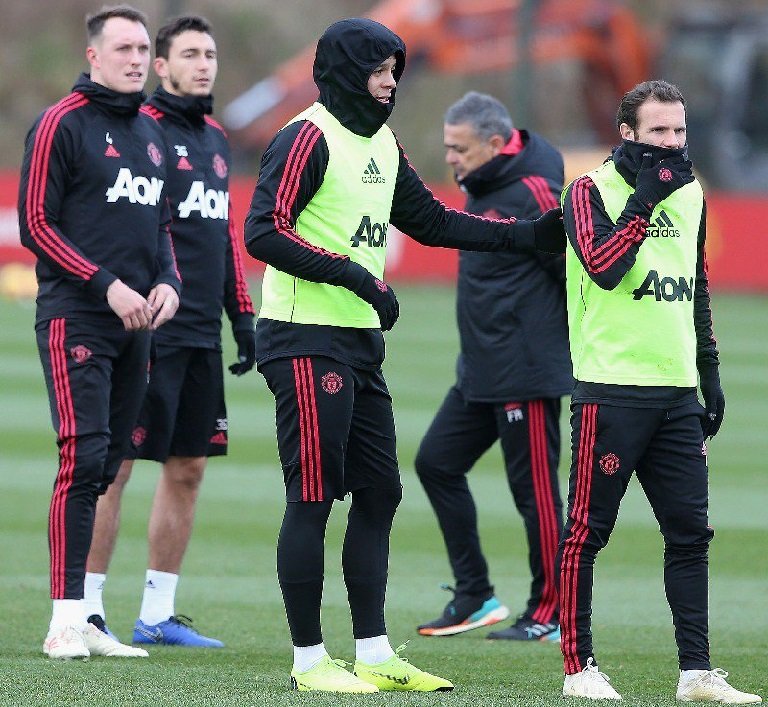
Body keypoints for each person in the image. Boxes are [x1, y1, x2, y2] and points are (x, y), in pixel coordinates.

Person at [244, 18, 566, 694]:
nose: (392, 80)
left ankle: (373, 650)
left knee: (382, 491)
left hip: (356, 342)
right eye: (380, 67)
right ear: (345, 67)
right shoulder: (306, 136)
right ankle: (309, 662)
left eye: (397, 67)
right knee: (311, 496)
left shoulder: (383, 142)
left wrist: (527, 235)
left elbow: (432, 220)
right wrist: (358, 278)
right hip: (303, 336)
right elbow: (262, 231)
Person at [557, 79, 761, 703]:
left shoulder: (692, 193)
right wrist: (645, 198)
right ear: (627, 133)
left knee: (690, 535)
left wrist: (710, 369)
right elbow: (605, 266)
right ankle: (578, 670)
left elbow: (695, 284)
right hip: (612, 391)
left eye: (679, 131)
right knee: (586, 534)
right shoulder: (590, 191)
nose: (672, 145)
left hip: (676, 393)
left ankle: (696, 673)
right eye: (658, 133)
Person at [83, 15, 256, 649]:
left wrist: (243, 316)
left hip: (202, 335)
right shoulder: (141, 131)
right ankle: (90, 608)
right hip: (148, 329)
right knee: (117, 468)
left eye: (210, 53)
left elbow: (223, 234)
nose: (204, 64)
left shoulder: (215, 137)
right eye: (190, 54)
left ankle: (156, 614)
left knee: (187, 468)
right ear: (161, 66)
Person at [18, 5, 180, 660]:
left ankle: (86, 615)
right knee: (82, 458)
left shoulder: (150, 130)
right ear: (94, 55)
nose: (136, 58)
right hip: (78, 315)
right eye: (123, 47)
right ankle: (62, 621)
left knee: (110, 464)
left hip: (137, 323)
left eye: (143, 47)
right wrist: (105, 283)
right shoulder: (61, 123)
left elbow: (160, 224)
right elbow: (34, 222)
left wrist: (169, 280)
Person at [414, 91, 571, 642]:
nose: (451, 159)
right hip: (480, 369)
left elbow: (570, 272)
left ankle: (553, 610)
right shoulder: (488, 188)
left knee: (535, 492)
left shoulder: (531, 193)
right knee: (436, 462)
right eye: (448, 147)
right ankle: (475, 594)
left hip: (522, 371)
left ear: (496, 144)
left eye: (459, 149)